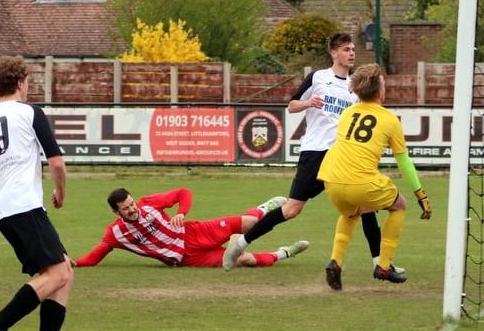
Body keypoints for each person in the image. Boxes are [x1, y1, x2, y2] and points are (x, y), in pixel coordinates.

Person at [223, 33, 401, 273]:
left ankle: (379, 263)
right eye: (346, 49)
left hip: (341, 155)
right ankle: (240, 244)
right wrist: (308, 103)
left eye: (352, 50)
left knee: (365, 206)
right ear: (333, 53)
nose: (351, 54)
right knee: (292, 209)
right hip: (315, 152)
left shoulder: (355, 87)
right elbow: (292, 105)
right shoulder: (318, 77)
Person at [0, 55, 80, 331]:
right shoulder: (29, 113)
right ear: (20, 82)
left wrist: (7, 181)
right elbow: (57, 162)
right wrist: (59, 191)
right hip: (25, 206)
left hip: (5, 211)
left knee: (63, 271)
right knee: (58, 273)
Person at [317, 63, 432, 290]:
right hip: (360, 181)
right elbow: (404, 162)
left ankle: (336, 262)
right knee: (399, 205)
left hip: (331, 178)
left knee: (351, 213)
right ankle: (384, 265)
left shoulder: (348, 113)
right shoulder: (389, 120)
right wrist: (421, 194)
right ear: (380, 90)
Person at [72, 188, 309, 268]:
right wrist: (76, 263)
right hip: (187, 258)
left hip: (194, 232)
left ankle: (264, 207)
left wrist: (181, 213)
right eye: (126, 209)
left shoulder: (149, 204)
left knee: (250, 223)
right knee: (245, 261)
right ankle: (285, 252)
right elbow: (96, 255)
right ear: (116, 213)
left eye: (132, 204)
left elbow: (184, 192)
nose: (133, 209)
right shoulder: (116, 233)